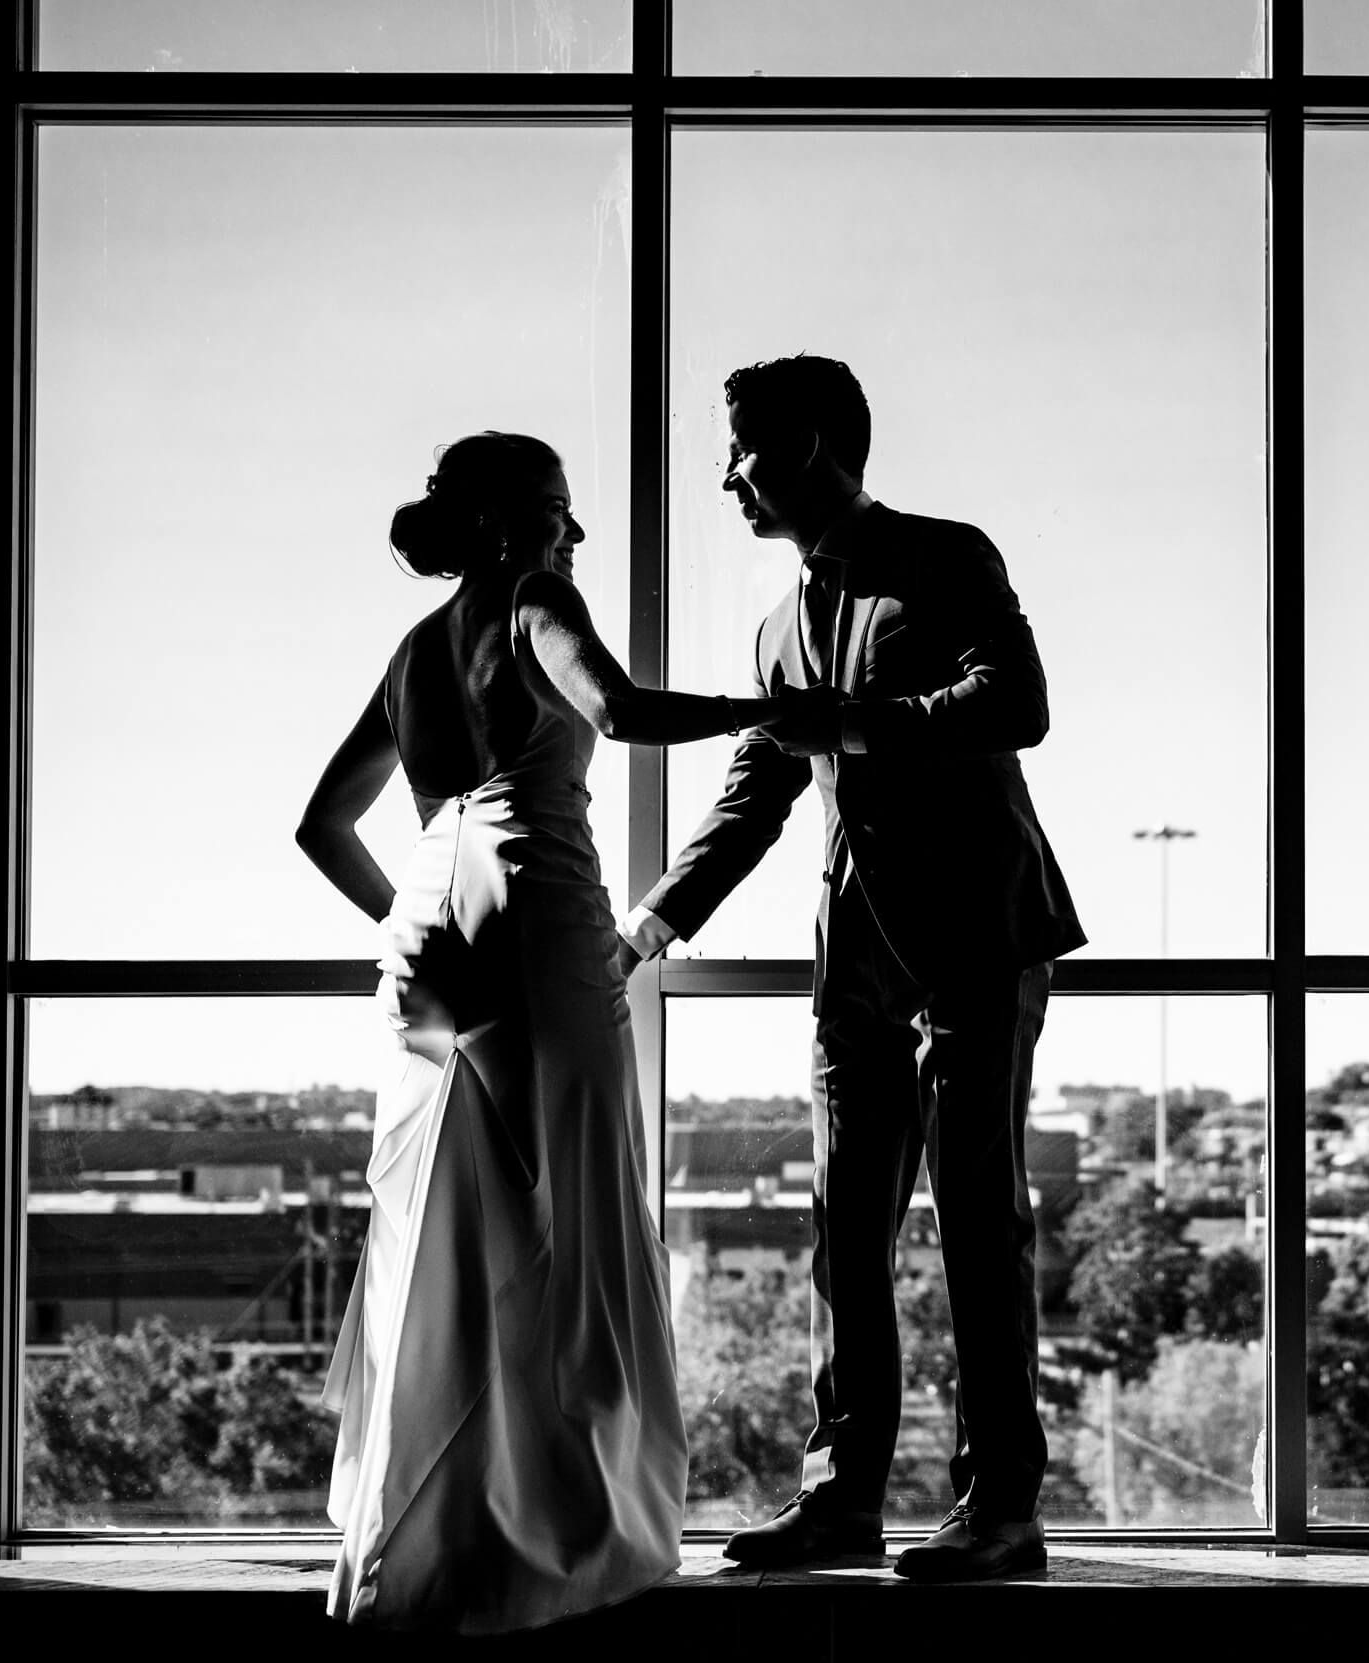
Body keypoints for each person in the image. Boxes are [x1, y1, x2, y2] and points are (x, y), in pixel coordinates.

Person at [297, 431, 790, 1631]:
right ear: (519, 523)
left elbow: (321, 824)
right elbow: (614, 708)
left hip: (426, 923)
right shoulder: (531, 596)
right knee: (563, 1213)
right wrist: (767, 711)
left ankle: (423, 1534)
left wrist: (413, 915)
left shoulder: (414, 650)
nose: (580, 536)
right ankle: (558, 1526)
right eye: (566, 512)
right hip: (533, 904)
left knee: (445, 1230)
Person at [615, 355, 1085, 1582]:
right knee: (842, 1237)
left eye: (741, 450)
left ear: (814, 442)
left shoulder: (947, 555)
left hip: (980, 935)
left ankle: (1003, 1514)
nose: (725, 476)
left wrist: (857, 723)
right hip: (857, 965)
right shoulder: (775, 628)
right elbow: (754, 796)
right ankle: (841, 1504)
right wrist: (647, 925)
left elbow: (1015, 701)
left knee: (980, 1225)